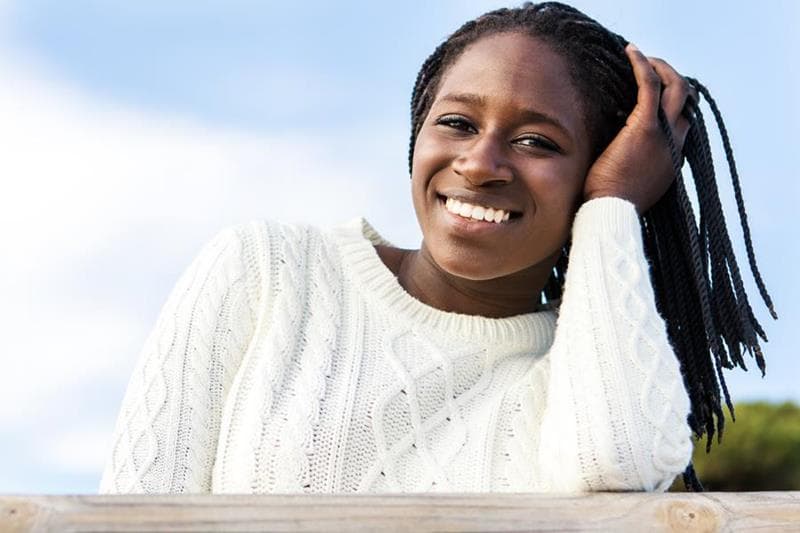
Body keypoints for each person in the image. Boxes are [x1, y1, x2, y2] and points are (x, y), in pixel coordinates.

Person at [99, 2, 773, 494]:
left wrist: (611, 210)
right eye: (456, 123)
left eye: (538, 141)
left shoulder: (584, 373)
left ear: (598, 170)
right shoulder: (266, 270)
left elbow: (619, 462)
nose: (481, 163)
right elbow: (130, 508)